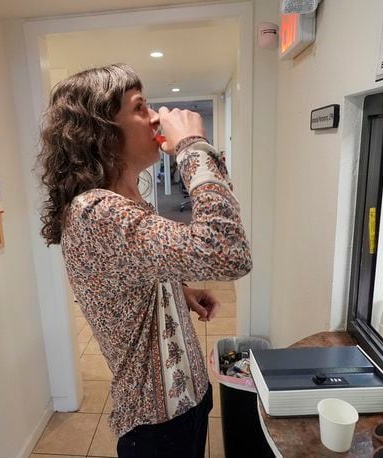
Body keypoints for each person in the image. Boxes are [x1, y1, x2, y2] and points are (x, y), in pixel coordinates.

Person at [37, 64, 252, 457]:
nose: (155, 116)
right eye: (139, 107)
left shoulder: (125, 197)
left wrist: (177, 290)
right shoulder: (97, 211)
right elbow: (229, 251)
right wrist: (192, 146)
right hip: (157, 423)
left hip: (185, 398)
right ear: (101, 131)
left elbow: (134, 266)